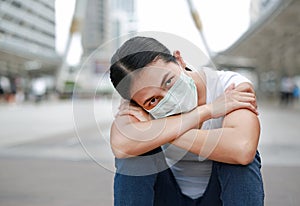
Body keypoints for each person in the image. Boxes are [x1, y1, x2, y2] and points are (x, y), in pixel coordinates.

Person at [109, 36, 264, 206]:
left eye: (168, 81)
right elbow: (121, 146)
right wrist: (207, 111)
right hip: (167, 197)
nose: (170, 98)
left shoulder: (229, 86)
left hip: (218, 197)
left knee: (237, 159)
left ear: (179, 60)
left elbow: (242, 148)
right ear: (136, 103)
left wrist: (151, 131)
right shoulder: (136, 105)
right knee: (134, 155)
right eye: (153, 100)